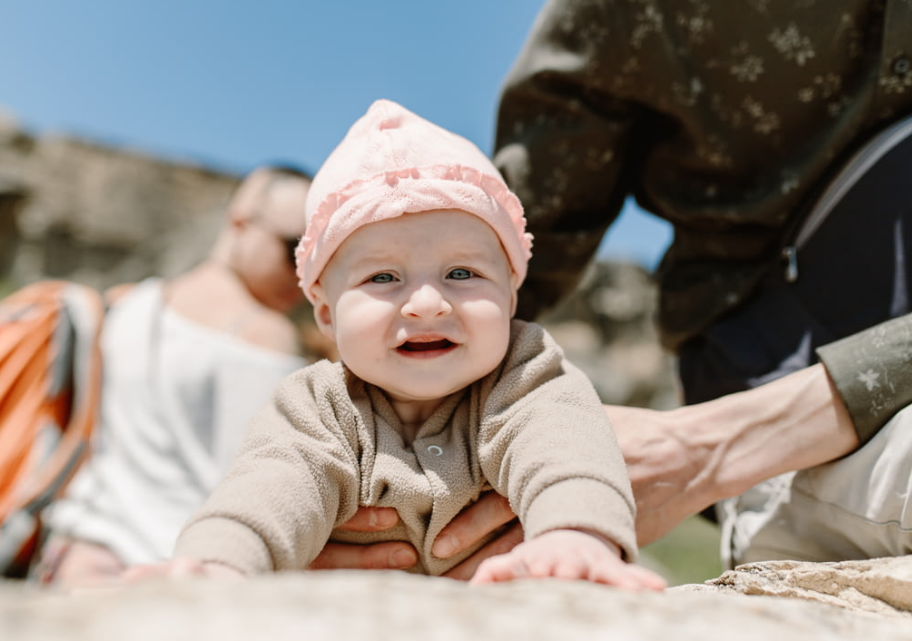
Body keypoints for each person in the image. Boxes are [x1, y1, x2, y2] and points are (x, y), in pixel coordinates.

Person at [308, 0, 912, 575]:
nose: (427, 301)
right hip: (796, 405)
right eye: (384, 278)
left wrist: (704, 451)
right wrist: (373, 445)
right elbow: (501, 251)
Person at [141, 99, 665, 590]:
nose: (427, 304)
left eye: (462, 272)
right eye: (384, 277)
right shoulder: (319, 405)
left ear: (510, 294)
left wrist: (573, 537)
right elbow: (271, 486)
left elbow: (566, 449)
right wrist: (221, 561)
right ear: (326, 312)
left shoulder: (524, 373)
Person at [35, 164, 313, 586]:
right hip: (172, 574)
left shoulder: (129, 305)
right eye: (294, 247)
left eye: (316, 259)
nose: (303, 274)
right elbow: (264, 489)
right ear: (241, 220)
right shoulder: (267, 336)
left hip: (74, 558)